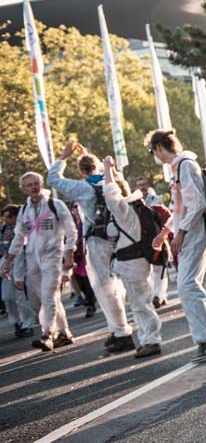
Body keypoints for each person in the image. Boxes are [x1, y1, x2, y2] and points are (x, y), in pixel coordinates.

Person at [146, 128, 206, 363]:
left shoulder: (186, 166)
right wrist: (166, 231)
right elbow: (180, 207)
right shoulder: (179, 167)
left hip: (193, 234)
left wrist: (181, 233)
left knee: (187, 285)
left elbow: (197, 204)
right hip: (187, 232)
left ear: (158, 148)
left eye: (151, 151)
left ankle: (205, 340)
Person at [47, 141, 134, 351]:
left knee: (104, 287)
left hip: (97, 240)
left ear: (81, 171)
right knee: (122, 283)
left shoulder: (82, 188)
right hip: (122, 237)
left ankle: (120, 331)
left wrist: (64, 156)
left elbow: (52, 178)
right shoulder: (114, 180)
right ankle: (123, 328)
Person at [1, 173, 76, 352]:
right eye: (29, 185)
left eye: (36, 184)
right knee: (44, 298)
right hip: (32, 260)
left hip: (53, 256)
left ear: (41, 184)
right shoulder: (24, 212)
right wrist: (9, 259)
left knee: (48, 294)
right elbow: (20, 236)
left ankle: (48, 334)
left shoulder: (55, 205)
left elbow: (71, 231)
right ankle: (64, 333)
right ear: (23, 189)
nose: (33, 187)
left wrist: (70, 255)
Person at [102, 156, 163, 359]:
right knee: (139, 302)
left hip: (132, 263)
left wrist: (107, 169)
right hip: (133, 262)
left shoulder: (123, 211)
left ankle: (151, 341)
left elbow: (110, 192)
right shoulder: (132, 210)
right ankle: (147, 338)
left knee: (140, 304)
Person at [1, 204, 37, 338]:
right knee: (8, 297)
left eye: (8, 217)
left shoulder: (24, 228)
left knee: (21, 296)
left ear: (16, 217)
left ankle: (28, 324)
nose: (6, 220)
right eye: (4, 218)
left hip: (21, 263)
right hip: (7, 263)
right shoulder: (3, 229)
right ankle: (17, 322)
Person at [66, 202, 100, 321]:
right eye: (74, 207)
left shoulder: (87, 221)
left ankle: (91, 304)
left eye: (78, 206)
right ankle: (86, 298)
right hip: (74, 255)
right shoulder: (69, 223)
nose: (77, 209)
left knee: (87, 280)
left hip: (87, 254)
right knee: (78, 280)